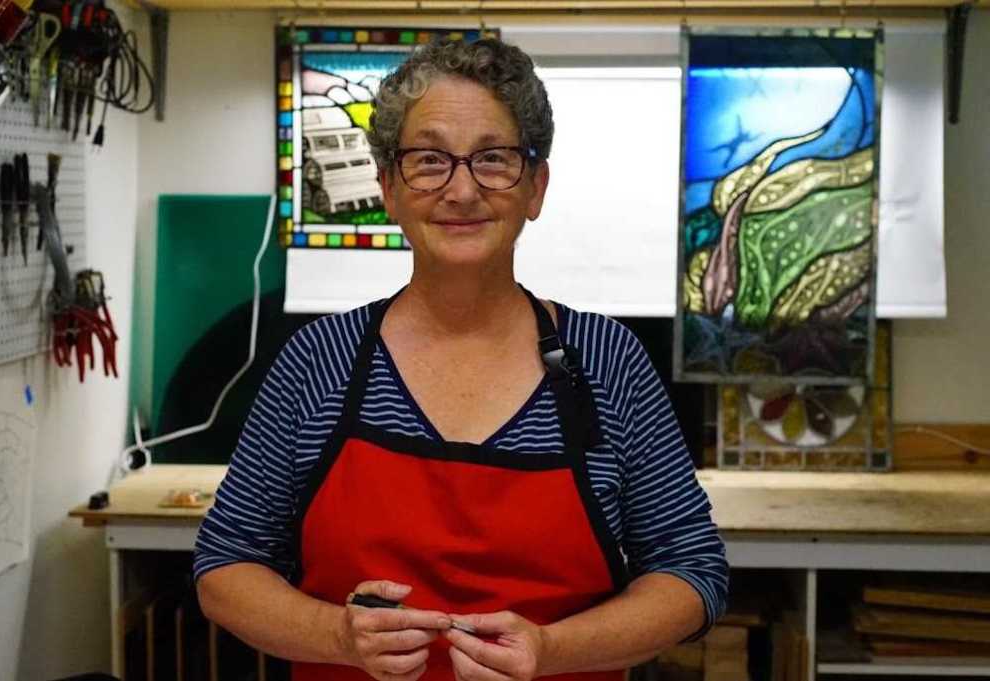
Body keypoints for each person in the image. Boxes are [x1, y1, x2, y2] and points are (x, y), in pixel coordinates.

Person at [194, 37, 728, 681]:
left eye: (494, 159)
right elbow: (225, 567)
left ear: (536, 187)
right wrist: (337, 636)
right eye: (429, 160)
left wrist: (553, 650)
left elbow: (692, 571)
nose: (462, 190)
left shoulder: (606, 361)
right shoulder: (319, 361)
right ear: (389, 187)